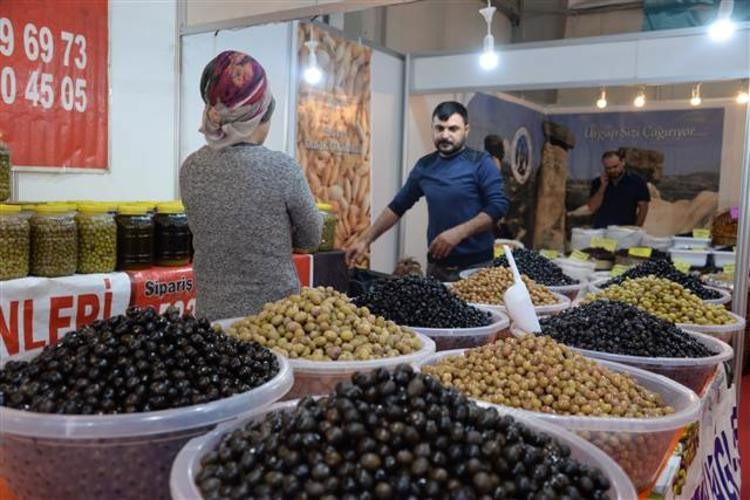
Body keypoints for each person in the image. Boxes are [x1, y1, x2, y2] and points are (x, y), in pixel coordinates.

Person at [180, 51, 322, 320]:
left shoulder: (190, 167)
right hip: (274, 322)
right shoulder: (281, 168)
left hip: (212, 319)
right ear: (260, 113)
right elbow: (312, 237)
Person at [345, 102, 509, 282]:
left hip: (477, 268)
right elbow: (397, 207)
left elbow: (498, 207)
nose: (445, 135)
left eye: (453, 129)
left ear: (466, 130)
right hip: (437, 267)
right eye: (440, 128)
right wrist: (365, 240)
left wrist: (458, 233)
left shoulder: (481, 163)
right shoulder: (425, 166)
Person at [588, 150, 650, 228]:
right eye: (608, 168)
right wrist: (603, 187)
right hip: (602, 230)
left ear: (623, 162)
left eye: (615, 166)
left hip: (625, 230)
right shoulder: (597, 182)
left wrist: (636, 229)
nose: (612, 170)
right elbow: (592, 208)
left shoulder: (637, 181)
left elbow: (643, 208)